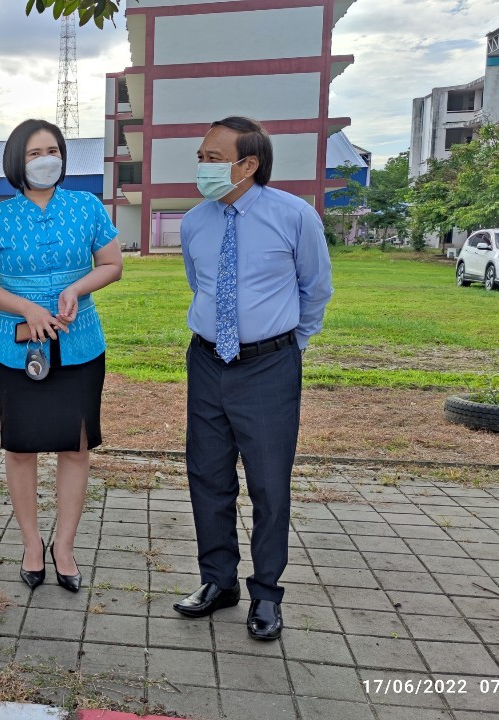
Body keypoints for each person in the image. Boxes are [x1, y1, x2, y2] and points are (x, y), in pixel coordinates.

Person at [173, 116, 333, 641]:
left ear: (248, 165)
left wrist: (288, 346)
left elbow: (315, 288)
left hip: (269, 366)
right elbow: (199, 284)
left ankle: (266, 592)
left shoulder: (294, 215)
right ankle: (218, 581)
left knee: (268, 482)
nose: (202, 166)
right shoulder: (194, 222)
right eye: (201, 157)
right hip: (207, 362)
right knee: (207, 475)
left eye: (213, 159)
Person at [0, 119, 122, 593]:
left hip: (80, 344)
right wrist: (26, 307)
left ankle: (65, 547)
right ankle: (32, 544)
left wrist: (77, 287)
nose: (45, 160)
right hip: (18, 349)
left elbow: (112, 264)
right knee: (21, 447)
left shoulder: (87, 206)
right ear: (17, 161)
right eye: (34, 153)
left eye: (52, 150)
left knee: (75, 446)